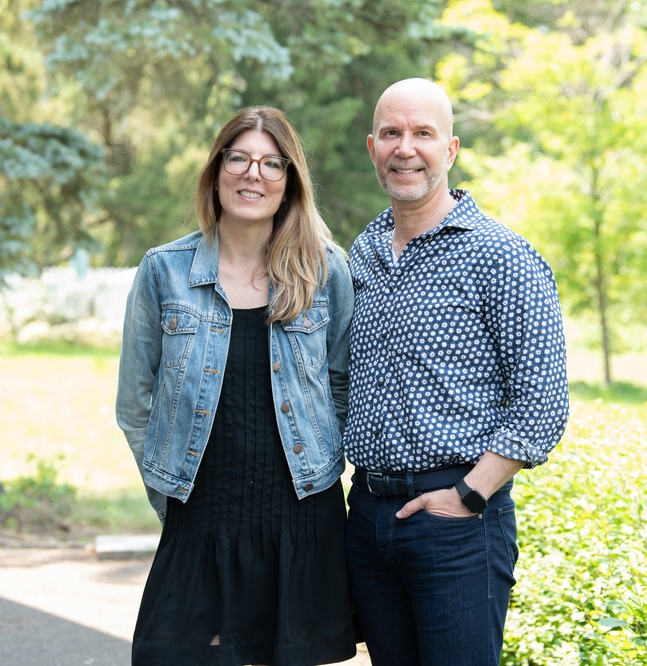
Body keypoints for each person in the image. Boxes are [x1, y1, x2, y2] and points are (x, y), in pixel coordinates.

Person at [116, 106, 357, 666]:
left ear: (290, 181)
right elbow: (134, 405)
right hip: (199, 521)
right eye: (240, 158)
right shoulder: (164, 271)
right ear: (216, 169)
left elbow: (344, 386)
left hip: (301, 519)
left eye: (272, 163)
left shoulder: (325, 270)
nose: (254, 174)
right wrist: (171, 494)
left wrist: (324, 467)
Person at [343, 78, 569, 666]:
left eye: (423, 133)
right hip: (367, 516)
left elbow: (542, 402)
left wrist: (469, 495)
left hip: (457, 522)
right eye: (391, 133)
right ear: (372, 147)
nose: (405, 148)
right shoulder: (362, 252)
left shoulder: (500, 255)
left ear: (450, 149)